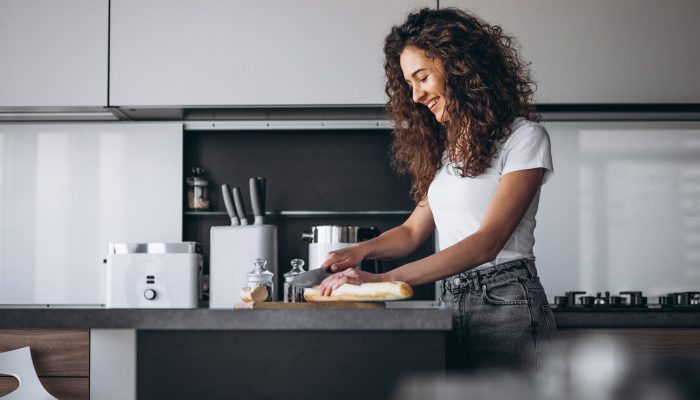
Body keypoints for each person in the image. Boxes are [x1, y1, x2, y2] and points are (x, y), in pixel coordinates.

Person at [318, 7, 556, 370]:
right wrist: (359, 251)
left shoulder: (524, 138)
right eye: (409, 84)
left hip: (506, 302)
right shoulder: (447, 152)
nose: (415, 95)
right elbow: (414, 231)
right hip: (450, 299)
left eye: (422, 77)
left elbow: (487, 242)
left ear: (460, 68)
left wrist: (384, 279)